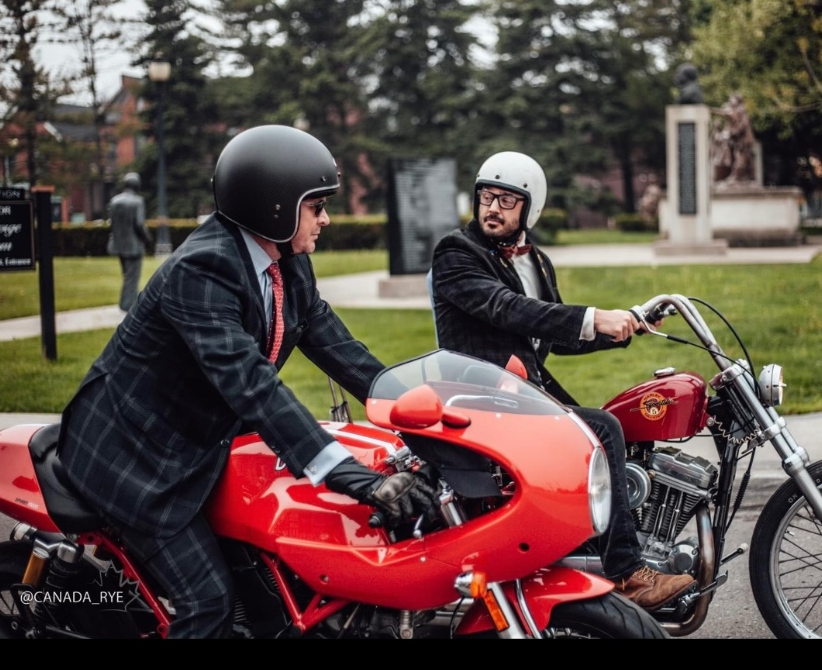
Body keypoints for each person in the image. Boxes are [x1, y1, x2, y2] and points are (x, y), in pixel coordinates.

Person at [58, 125, 437, 638]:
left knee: (274, 578)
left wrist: (425, 419)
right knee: (209, 602)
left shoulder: (288, 261)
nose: (325, 219)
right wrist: (350, 476)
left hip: (206, 441)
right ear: (274, 208)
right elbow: (251, 384)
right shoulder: (201, 269)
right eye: (316, 206)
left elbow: (341, 350)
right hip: (137, 457)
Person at [431, 151, 695, 611]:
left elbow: (552, 335)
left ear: (529, 208)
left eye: (507, 200)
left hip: (523, 395)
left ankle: (595, 540)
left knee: (620, 423)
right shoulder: (456, 253)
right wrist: (594, 316)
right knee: (602, 430)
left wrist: (628, 325)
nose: (492, 208)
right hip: (482, 401)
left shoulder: (536, 261)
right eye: (486, 196)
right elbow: (506, 308)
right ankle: (628, 573)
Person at [106, 172, 152, 311]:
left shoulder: (115, 201)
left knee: (127, 275)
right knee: (132, 277)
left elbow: (112, 223)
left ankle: (126, 302)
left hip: (118, 245)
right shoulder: (137, 201)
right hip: (133, 245)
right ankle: (128, 304)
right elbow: (139, 224)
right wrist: (148, 239)